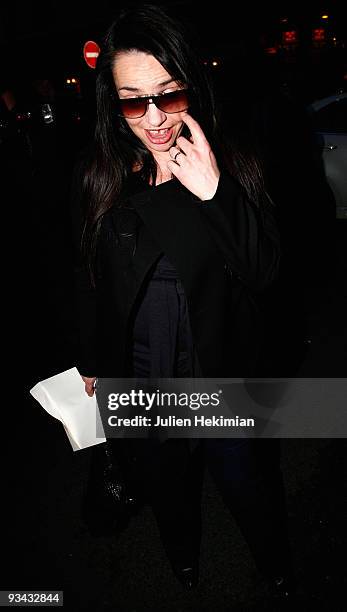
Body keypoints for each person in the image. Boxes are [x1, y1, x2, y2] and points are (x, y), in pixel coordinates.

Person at [70, 4, 295, 603]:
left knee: (246, 480)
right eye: (131, 101)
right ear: (111, 105)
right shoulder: (104, 175)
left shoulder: (232, 159)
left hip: (217, 368)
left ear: (190, 85)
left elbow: (266, 273)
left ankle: (275, 565)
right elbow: (90, 279)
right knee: (167, 483)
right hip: (146, 373)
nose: (152, 118)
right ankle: (183, 560)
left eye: (168, 96)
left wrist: (215, 193)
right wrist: (92, 359)